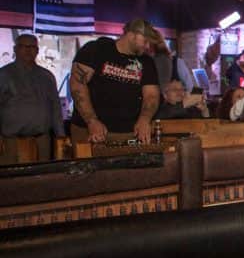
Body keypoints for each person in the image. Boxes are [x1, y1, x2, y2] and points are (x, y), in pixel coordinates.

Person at [69, 19, 160, 143]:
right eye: (145, 41)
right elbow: (77, 86)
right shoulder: (96, 49)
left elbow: (151, 96)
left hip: (129, 133)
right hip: (90, 130)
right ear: (132, 34)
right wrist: (92, 121)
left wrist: (145, 119)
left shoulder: (146, 61)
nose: (148, 46)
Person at [0, 34, 65, 164]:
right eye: (24, 46)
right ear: (15, 49)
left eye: (32, 47)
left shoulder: (47, 76)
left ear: (37, 50)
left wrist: (61, 136)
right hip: (11, 141)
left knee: (42, 174)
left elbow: (55, 107)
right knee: (11, 175)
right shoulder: (4, 74)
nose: (28, 50)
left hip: (42, 141)